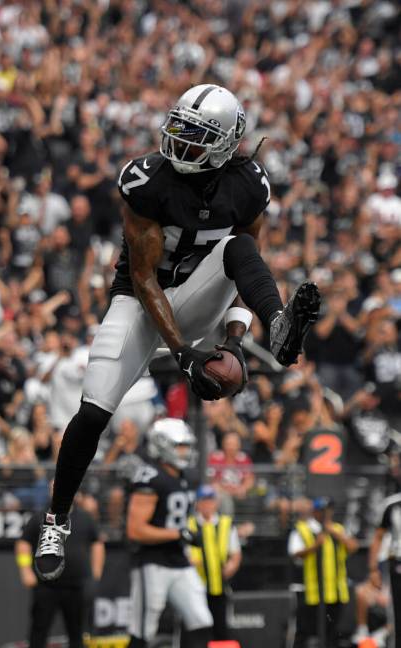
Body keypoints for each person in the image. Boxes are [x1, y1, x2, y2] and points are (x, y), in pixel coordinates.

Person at [35, 83, 320, 580]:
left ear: (227, 144)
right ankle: (57, 518)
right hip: (141, 303)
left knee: (236, 248)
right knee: (92, 411)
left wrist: (234, 339)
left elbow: (242, 267)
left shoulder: (249, 185)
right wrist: (184, 352)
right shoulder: (149, 181)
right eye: (180, 127)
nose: (179, 141)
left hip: (202, 298)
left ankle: (277, 325)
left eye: (196, 134)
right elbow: (144, 277)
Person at [125, 418, 213, 648]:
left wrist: (183, 536)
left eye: (186, 446)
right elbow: (135, 530)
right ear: (163, 446)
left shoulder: (181, 476)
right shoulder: (150, 477)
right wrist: (179, 534)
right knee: (143, 630)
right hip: (152, 563)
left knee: (201, 621)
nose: (186, 451)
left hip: (178, 561)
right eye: (180, 446)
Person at [15, 492, 105, 648]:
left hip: (76, 586)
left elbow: (97, 544)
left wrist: (96, 572)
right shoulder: (40, 517)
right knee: (39, 631)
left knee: (77, 633)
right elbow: (24, 544)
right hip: (46, 585)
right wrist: (25, 570)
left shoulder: (85, 518)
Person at [288, 497, 358, 648]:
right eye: (324, 511)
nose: (327, 514)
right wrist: (315, 546)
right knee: (304, 634)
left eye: (329, 510)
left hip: (335, 592)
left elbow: (353, 546)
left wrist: (335, 533)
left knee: (332, 634)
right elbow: (294, 553)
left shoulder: (337, 529)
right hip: (310, 593)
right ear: (315, 512)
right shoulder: (303, 529)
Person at [187, 484, 242, 641]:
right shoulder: (190, 525)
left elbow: (235, 553)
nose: (207, 505)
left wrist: (231, 566)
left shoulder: (225, 524)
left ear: (216, 503)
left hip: (219, 586)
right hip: (195, 588)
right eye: (203, 501)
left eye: (210, 500)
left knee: (220, 629)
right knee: (197, 631)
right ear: (197, 503)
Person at [368, 487, 401, 648]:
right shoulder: (392, 504)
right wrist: (373, 569)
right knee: (397, 616)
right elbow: (378, 536)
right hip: (398, 563)